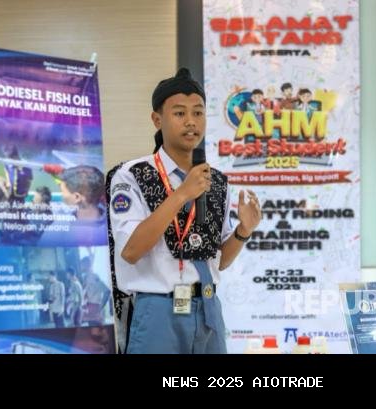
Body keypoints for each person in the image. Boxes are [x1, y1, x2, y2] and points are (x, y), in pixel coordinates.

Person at [108, 67, 262, 354]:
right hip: (158, 311)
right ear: (157, 120)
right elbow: (130, 251)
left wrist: (243, 231)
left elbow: (219, 261)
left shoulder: (215, 181)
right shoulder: (133, 175)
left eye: (198, 113)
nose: (191, 121)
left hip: (208, 306)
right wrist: (181, 194)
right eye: (179, 113)